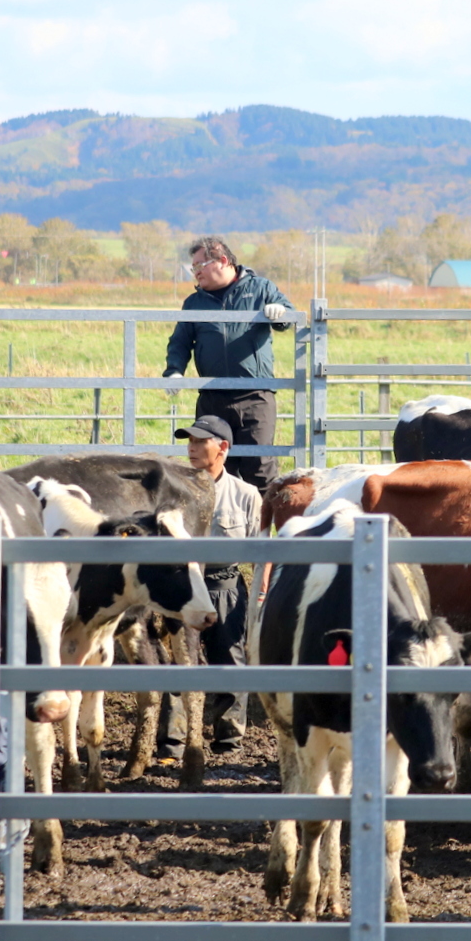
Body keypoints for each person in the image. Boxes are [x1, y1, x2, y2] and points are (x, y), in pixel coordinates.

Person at [160, 414, 261, 756]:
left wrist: (261, 589)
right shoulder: (173, 493)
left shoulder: (246, 495)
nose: (191, 447)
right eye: (189, 441)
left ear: (223, 448)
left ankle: (228, 736)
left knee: (229, 659)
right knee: (178, 661)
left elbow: (261, 549)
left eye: (200, 441)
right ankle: (172, 738)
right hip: (184, 587)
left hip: (224, 585)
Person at [163, 236, 295, 494]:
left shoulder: (260, 289)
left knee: (260, 468)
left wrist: (280, 311)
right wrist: (174, 371)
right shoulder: (194, 303)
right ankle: (216, 531)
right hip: (212, 398)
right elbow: (179, 341)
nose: (196, 271)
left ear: (222, 260)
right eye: (194, 267)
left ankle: (261, 531)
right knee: (211, 469)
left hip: (255, 398)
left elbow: (288, 317)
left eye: (200, 264)